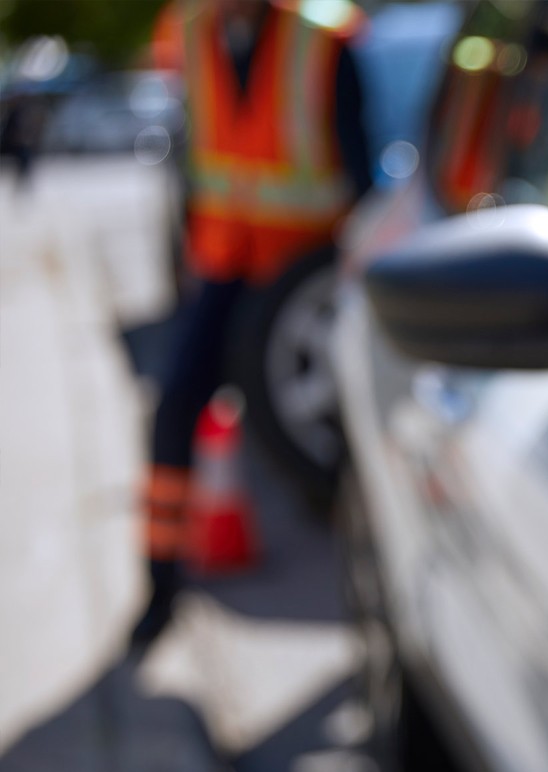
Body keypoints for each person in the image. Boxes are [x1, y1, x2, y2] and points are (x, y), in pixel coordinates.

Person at [133, 0, 371, 647]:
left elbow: (360, 175)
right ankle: (159, 586)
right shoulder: (191, 35)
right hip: (223, 266)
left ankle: (369, 596)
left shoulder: (323, 40)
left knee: (336, 447)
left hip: (301, 283)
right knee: (174, 405)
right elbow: (192, 158)